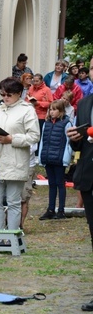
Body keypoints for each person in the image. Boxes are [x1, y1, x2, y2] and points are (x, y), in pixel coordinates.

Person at [0, 77, 40, 231]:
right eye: (2, 94)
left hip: (16, 161)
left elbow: (34, 136)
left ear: (18, 93)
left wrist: (12, 139)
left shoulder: (27, 110)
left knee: (13, 202)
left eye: (9, 95)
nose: (5, 98)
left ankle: (12, 236)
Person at [38, 100, 73, 220]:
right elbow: (42, 140)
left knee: (60, 184)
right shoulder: (46, 123)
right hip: (48, 158)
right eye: (50, 109)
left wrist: (66, 159)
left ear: (61, 111)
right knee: (51, 184)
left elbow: (69, 143)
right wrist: (42, 157)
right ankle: (51, 209)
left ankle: (61, 210)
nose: (51, 112)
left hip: (59, 158)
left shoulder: (66, 123)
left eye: (54, 109)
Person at [68, 87, 93, 252]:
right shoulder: (84, 103)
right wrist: (74, 138)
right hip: (88, 174)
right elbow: (80, 144)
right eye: (92, 68)